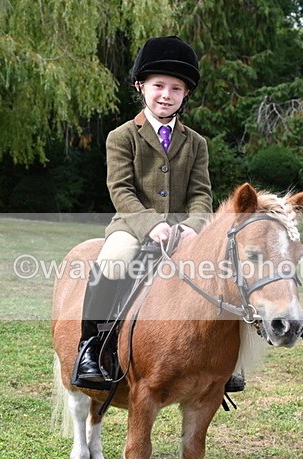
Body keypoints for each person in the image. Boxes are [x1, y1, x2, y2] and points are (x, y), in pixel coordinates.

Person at [74, 36, 245, 393]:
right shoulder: (122, 136)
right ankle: (90, 348)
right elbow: (120, 190)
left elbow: (201, 193)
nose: (166, 94)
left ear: (185, 95)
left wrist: (194, 226)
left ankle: (229, 361)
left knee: (224, 270)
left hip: (185, 230)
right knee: (113, 261)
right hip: (132, 225)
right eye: (158, 86)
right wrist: (151, 224)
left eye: (175, 88)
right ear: (142, 87)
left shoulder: (196, 143)